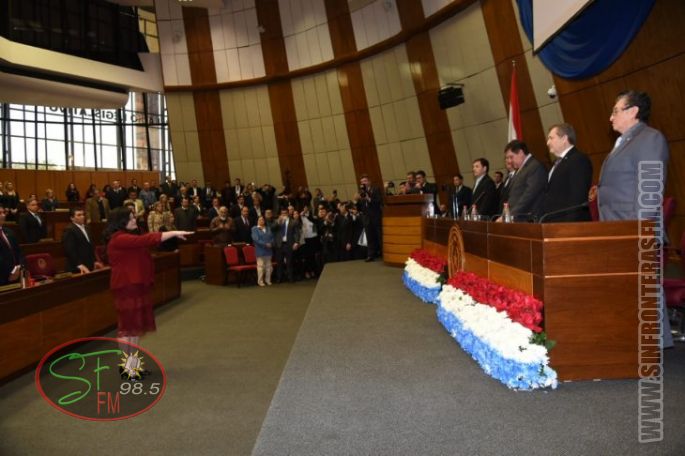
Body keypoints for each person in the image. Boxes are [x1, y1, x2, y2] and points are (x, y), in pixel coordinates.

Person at [597, 90, 672, 348]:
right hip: (615, 227)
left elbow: (649, 191)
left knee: (645, 290)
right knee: (628, 290)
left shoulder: (650, 138)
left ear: (633, 111)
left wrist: (637, 230)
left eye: (615, 111)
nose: (611, 117)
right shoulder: (624, 141)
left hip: (635, 229)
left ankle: (653, 344)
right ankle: (631, 340)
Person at [104, 207, 191, 370]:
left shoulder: (128, 236)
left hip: (136, 285)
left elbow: (145, 241)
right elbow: (147, 239)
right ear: (121, 221)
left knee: (135, 328)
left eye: (134, 217)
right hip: (126, 287)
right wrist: (173, 232)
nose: (134, 220)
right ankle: (127, 367)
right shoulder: (118, 239)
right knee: (127, 328)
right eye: (131, 218)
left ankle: (132, 364)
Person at [537, 123, 593, 222]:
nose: (547, 143)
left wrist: (568, 227)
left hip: (569, 224)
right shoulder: (557, 163)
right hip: (553, 222)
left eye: (551, 138)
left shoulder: (578, 160)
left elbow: (577, 199)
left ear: (564, 139)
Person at [503, 140, 546, 221]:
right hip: (516, 217)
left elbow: (529, 195)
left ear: (521, 152)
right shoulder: (520, 169)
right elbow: (514, 196)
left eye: (511, 157)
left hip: (528, 219)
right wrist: (505, 215)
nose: (509, 161)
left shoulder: (534, 166)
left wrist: (511, 215)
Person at [62, 207, 102, 274]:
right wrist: (79, 264)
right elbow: (70, 250)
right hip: (76, 267)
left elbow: (90, 247)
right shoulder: (69, 230)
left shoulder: (87, 228)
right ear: (72, 218)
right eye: (79, 215)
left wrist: (94, 261)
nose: (82, 217)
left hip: (89, 264)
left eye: (83, 214)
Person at [357, 174, 382, 261]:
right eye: (362, 182)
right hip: (366, 217)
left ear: (369, 181)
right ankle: (371, 255)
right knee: (369, 236)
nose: (363, 183)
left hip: (375, 216)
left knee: (379, 235)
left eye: (365, 181)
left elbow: (378, 201)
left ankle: (383, 253)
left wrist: (369, 198)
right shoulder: (361, 192)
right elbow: (360, 207)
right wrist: (357, 200)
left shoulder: (375, 189)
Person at [274, 209, 301, 283]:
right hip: (279, 244)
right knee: (279, 262)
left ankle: (290, 278)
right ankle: (279, 278)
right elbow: (272, 228)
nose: (284, 215)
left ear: (288, 214)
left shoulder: (294, 222)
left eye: (285, 213)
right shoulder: (277, 221)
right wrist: (278, 221)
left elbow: (297, 233)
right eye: (282, 213)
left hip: (289, 244)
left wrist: (296, 242)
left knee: (289, 262)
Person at [0, 205, 24, 286]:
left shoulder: (9, 232)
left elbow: (19, 252)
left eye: (4, 212)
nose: (3, 215)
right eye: (0, 213)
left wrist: (18, 268)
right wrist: (10, 272)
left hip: (16, 276)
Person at [251, 216, 274, 287]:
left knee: (269, 267)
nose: (261, 221)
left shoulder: (268, 228)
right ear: (257, 221)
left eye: (262, 219)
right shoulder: (255, 229)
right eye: (260, 220)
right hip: (260, 250)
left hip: (268, 250)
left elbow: (272, 237)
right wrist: (265, 244)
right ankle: (260, 281)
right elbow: (256, 239)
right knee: (260, 267)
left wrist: (271, 243)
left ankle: (268, 280)